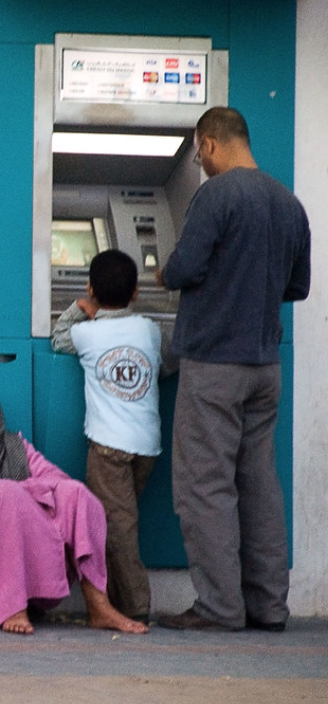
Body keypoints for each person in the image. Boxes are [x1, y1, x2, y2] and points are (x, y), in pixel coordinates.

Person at [155, 107, 311, 632]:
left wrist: (161, 268)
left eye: (199, 153)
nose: (199, 162)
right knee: (260, 483)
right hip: (265, 366)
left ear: (212, 143)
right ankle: (269, 606)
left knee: (205, 485)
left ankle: (221, 608)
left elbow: (183, 268)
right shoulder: (289, 203)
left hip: (214, 363)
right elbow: (298, 287)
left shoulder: (216, 196)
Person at [0, 371, 149, 635]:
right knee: (3, 492)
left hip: (36, 549)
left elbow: (56, 481)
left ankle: (99, 606)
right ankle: (12, 607)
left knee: (75, 493)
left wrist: (4, 492)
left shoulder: (14, 447)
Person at [51, 249, 161, 621]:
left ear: (90, 287)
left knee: (117, 530)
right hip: (147, 446)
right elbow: (161, 364)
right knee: (121, 520)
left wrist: (79, 308)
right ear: (134, 293)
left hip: (110, 447)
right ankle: (115, 603)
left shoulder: (87, 334)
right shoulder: (149, 329)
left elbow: (57, 338)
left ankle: (133, 609)